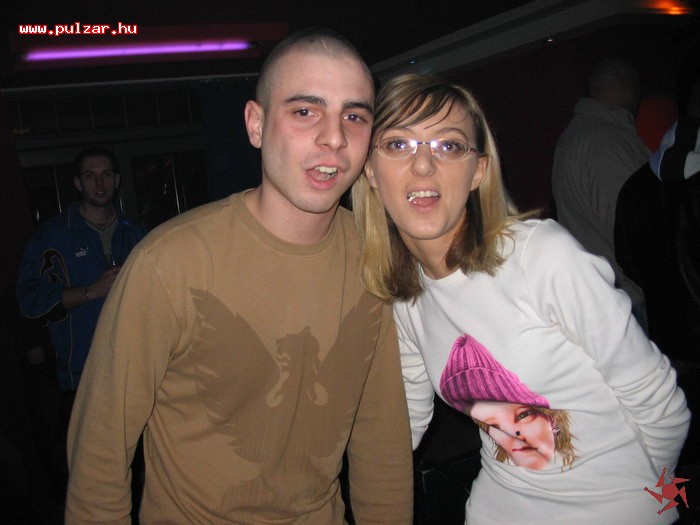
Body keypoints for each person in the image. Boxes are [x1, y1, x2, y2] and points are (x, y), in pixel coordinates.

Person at [65, 28, 413, 524]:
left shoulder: (373, 256)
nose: (335, 137)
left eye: (354, 116)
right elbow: (99, 451)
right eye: (305, 111)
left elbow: (381, 439)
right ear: (256, 124)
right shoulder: (171, 263)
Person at [352, 73, 689, 523]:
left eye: (449, 145)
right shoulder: (406, 295)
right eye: (398, 144)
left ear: (478, 171)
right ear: (370, 171)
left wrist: (657, 504)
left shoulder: (540, 257)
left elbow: (661, 404)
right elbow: (405, 420)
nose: (424, 165)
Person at [16, 145, 147, 505]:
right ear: (77, 183)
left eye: (106, 174)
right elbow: (29, 300)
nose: (99, 183)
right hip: (81, 378)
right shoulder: (54, 236)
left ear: (117, 180)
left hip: (136, 377)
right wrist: (91, 291)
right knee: (92, 481)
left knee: (140, 477)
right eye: (90, 175)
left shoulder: (136, 234)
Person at [551, 57, 650, 327]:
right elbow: (629, 230)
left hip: (604, 294)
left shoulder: (577, 133)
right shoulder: (606, 140)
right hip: (626, 298)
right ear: (627, 86)